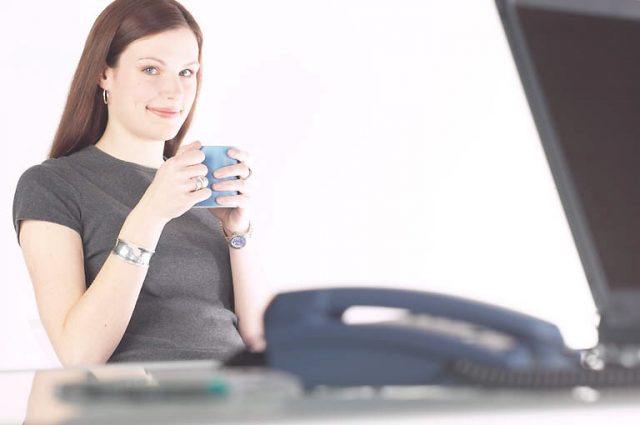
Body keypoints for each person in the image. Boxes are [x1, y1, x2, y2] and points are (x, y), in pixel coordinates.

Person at [12, 0, 271, 366]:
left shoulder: (200, 187)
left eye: (187, 72)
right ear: (105, 74)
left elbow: (260, 340)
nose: (175, 91)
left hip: (236, 401)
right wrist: (150, 214)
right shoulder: (52, 185)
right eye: (151, 69)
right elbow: (78, 353)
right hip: (137, 405)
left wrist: (237, 233)